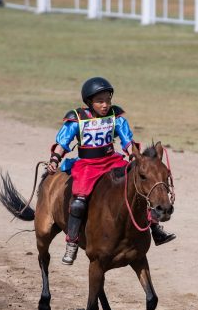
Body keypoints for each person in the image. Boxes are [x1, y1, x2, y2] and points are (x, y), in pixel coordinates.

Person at [47, 77, 176, 265]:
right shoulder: (77, 118)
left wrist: (133, 156)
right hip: (87, 165)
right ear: (89, 102)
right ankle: (72, 242)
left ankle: (154, 228)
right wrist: (54, 159)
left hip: (111, 161)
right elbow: (62, 143)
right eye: (100, 101)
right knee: (78, 202)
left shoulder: (115, 116)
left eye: (108, 100)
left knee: (138, 186)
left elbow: (127, 141)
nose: (105, 105)